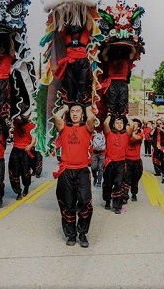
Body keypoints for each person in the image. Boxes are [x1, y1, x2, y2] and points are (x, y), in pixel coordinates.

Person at [53, 104, 95, 248]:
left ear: (82, 114)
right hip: (66, 171)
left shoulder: (87, 128)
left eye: (78, 111)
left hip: (82, 171)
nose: (75, 113)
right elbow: (56, 117)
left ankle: (82, 233)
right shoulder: (63, 128)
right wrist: (65, 107)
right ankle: (71, 235)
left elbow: (92, 118)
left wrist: (87, 108)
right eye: (73, 111)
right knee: (67, 203)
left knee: (85, 201)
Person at [102, 114, 133, 214]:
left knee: (119, 184)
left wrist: (126, 115)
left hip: (121, 162)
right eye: (117, 123)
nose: (119, 125)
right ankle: (107, 200)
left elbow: (132, 125)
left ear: (123, 125)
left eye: (121, 123)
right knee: (108, 184)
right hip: (110, 162)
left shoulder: (126, 134)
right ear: (114, 125)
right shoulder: (109, 133)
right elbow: (105, 123)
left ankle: (117, 206)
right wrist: (110, 114)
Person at [8, 116, 37, 200]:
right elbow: (12, 114)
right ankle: (18, 192)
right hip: (16, 150)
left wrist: (30, 145)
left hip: (25, 151)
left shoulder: (32, 125)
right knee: (14, 172)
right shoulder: (16, 121)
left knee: (25, 173)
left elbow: (34, 137)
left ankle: (26, 186)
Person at [124, 118, 144, 203]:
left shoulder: (140, 134)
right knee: (126, 179)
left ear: (139, 127)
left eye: (134, 124)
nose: (132, 125)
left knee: (135, 180)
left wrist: (130, 131)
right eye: (131, 124)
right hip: (126, 160)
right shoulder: (125, 134)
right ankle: (125, 196)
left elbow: (136, 138)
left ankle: (134, 193)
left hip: (136, 161)